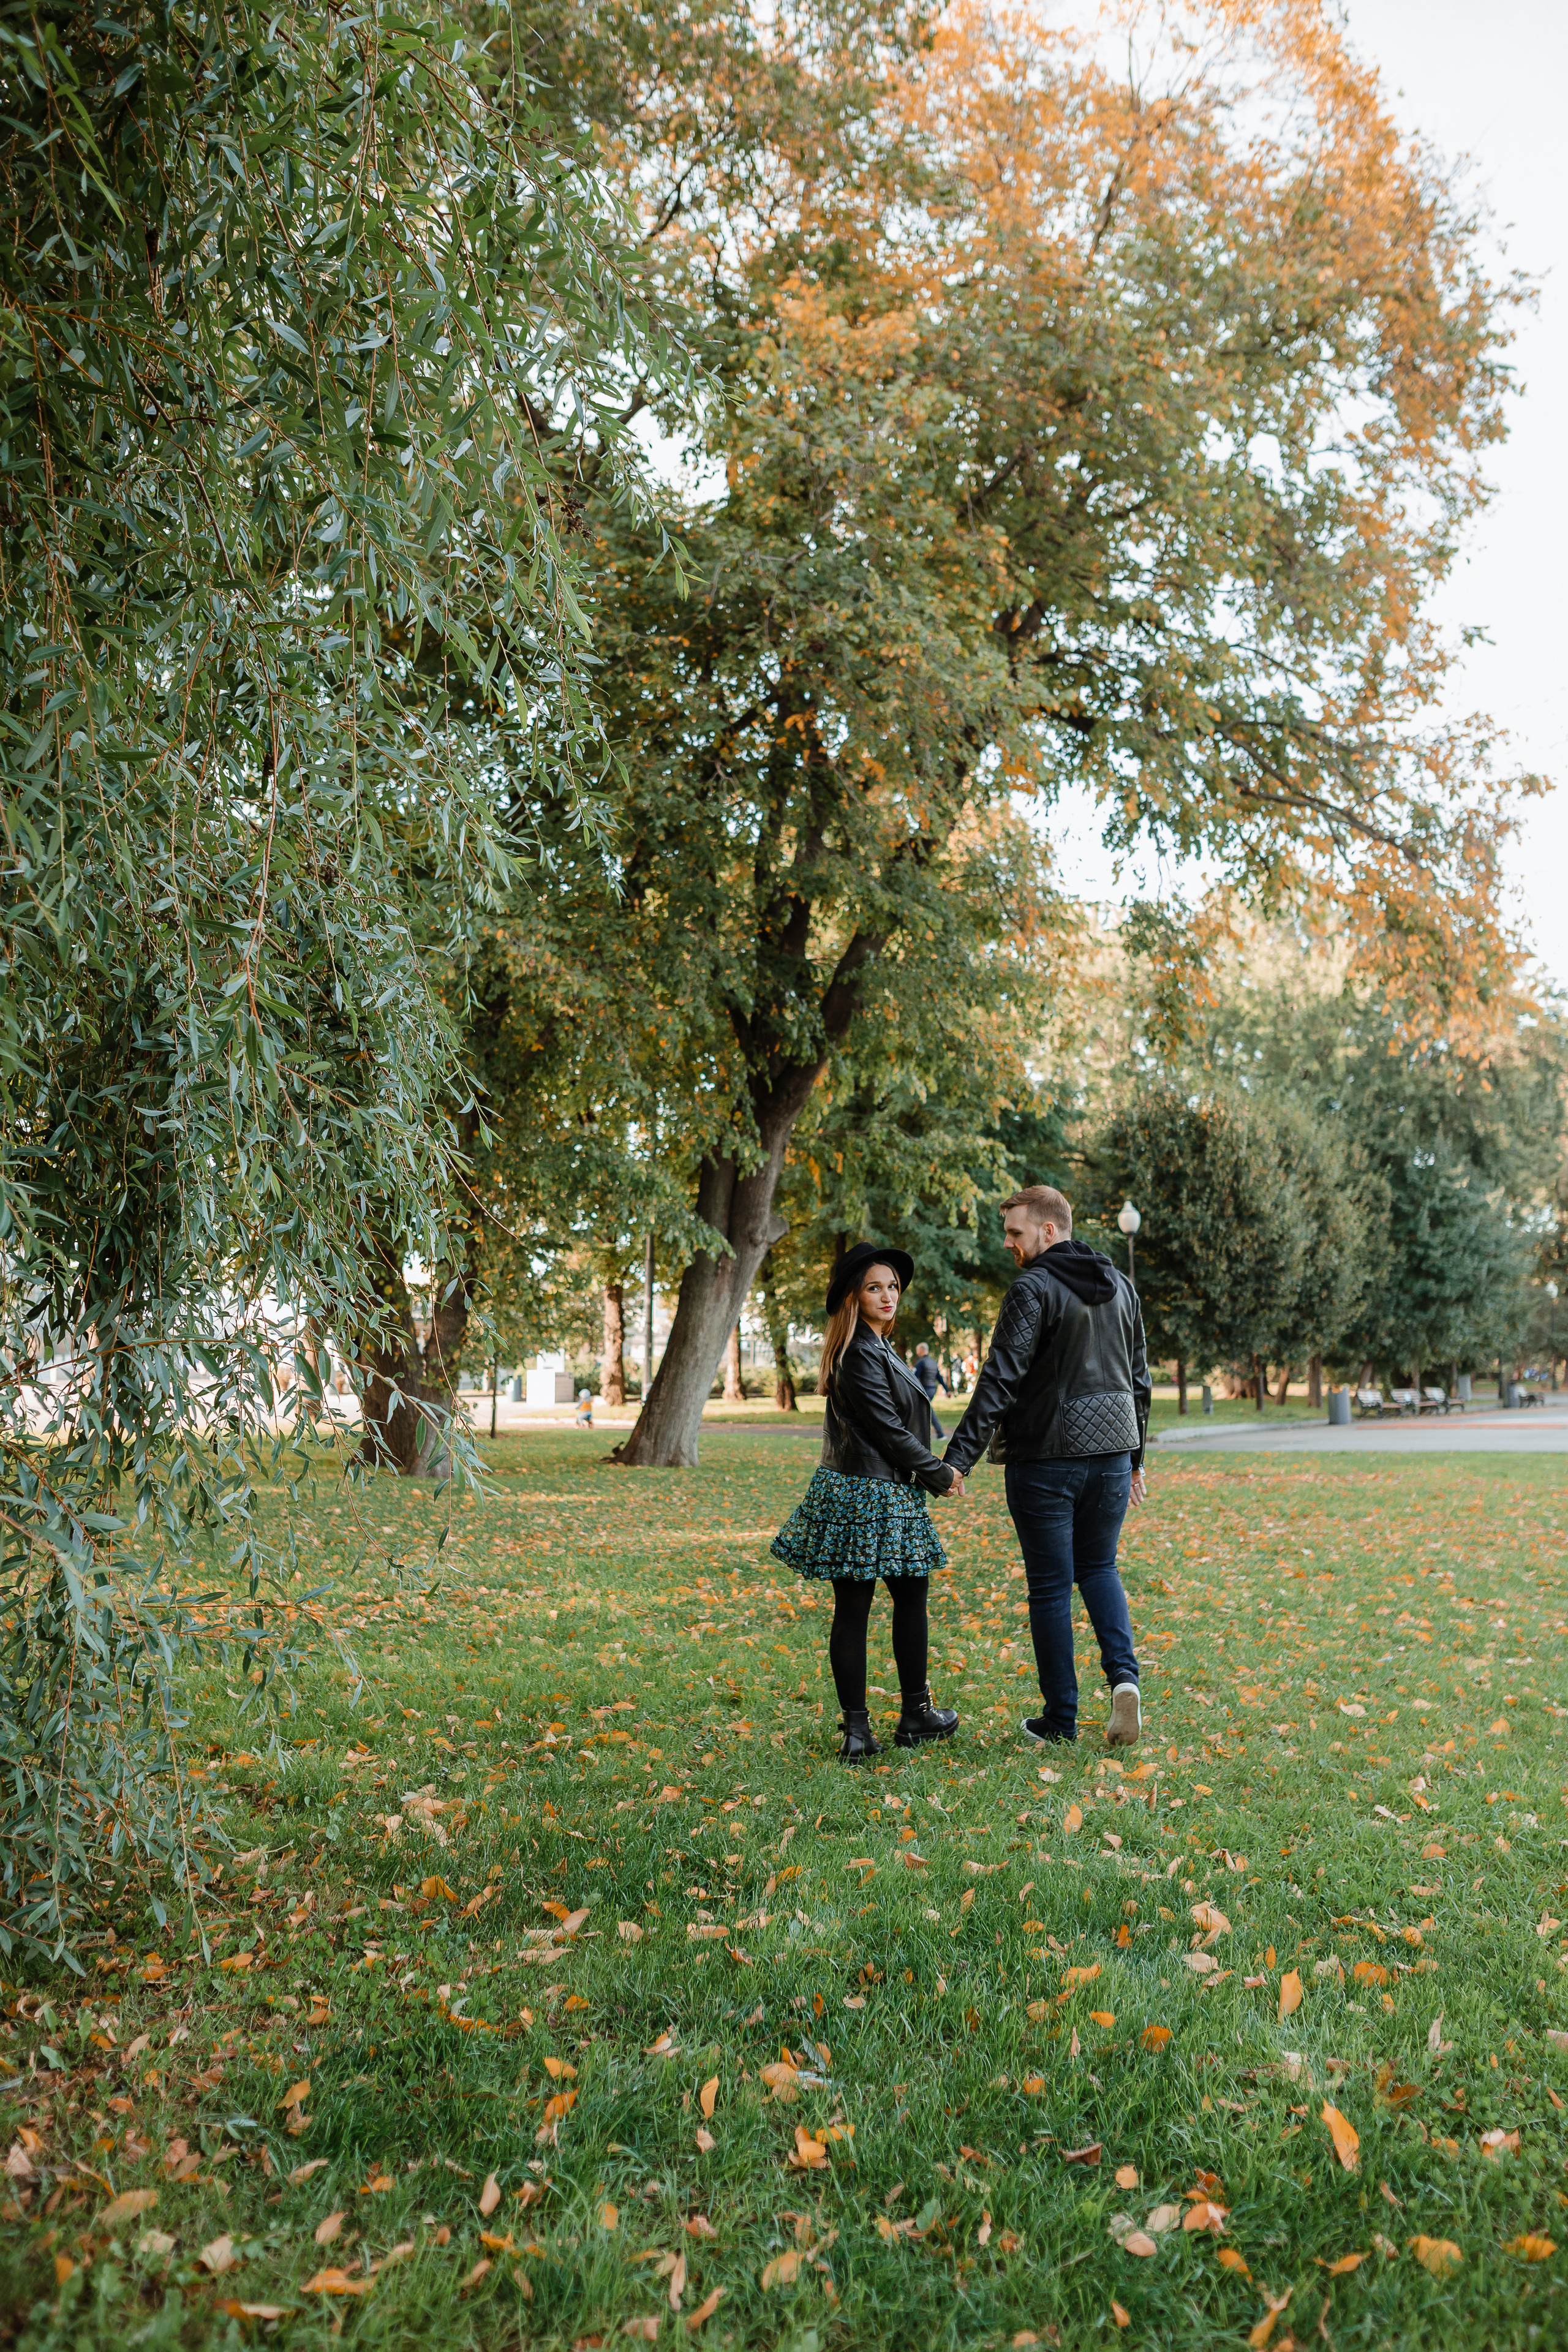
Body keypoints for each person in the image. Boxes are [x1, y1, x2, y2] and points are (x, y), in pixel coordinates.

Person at [943, 1186, 1150, 1748]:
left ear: (1049, 1231)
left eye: (1015, 1232)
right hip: (1111, 1457)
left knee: (1051, 1589)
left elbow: (1000, 1380)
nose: (1008, 1243)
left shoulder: (1032, 1289)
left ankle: (1060, 1720)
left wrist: (957, 1460)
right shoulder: (1122, 1287)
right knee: (1100, 1568)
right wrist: (1135, 1459)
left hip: (1045, 1463)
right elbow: (1139, 1381)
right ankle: (1124, 1680)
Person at [771, 1244, 964, 1761]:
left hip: (876, 1490)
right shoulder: (859, 1351)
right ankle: (874, 1725)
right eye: (876, 1287)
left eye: (894, 1287)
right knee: (863, 1609)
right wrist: (938, 1471)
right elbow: (888, 1429)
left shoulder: (876, 1348)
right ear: (855, 1295)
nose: (888, 1296)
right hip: (871, 1492)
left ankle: (904, 1717)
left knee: (897, 1601)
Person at [910, 1341, 951, 1438]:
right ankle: (938, 1434)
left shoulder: (921, 1362)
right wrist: (947, 1390)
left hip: (924, 1391)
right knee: (926, 1410)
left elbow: (914, 1377)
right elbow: (939, 1377)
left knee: (920, 1410)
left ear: (921, 1350)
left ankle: (934, 1434)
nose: (917, 1353)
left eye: (917, 1351)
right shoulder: (933, 1362)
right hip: (932, 1390)